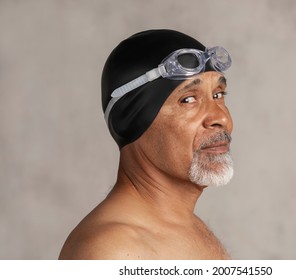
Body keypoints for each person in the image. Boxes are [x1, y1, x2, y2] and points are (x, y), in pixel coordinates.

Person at [59, 29, 234, 259]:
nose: (221, 119)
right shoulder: (111, 251)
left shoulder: (187, 228)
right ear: (132, 121)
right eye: (188, 100)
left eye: (218, 95)